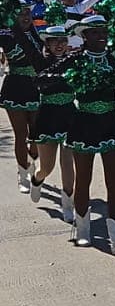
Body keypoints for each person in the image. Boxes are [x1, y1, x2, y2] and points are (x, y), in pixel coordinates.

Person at [66, 13, 115, 254]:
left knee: (114, 181)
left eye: (104, 32)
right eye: (95, 32)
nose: (101, 36)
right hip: (83, 122)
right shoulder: (75, 60)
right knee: (83, 179)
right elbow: (50, 77)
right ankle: (82, 231)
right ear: (85, 36)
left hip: (109, 121)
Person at [29, 23, 76, 220]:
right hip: (47, 115)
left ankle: (68, 206)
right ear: (46, 44)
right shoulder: (41, 61)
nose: (59, 44)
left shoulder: (75, 60)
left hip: (70, 115)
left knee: (68, 163)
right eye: (54, 41)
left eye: (63, 41)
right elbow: (26, 41)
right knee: (47, 168)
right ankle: (36, 180)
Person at [0, 0, 43, 193]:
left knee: (35, 133)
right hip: (15, 86)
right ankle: (23, 174)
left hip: (36, 87)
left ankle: (33, 162)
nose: (25, 17)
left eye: (28, 13)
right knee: (21, 134)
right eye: (20, 13)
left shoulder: (40, 34)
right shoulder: (6, 35)